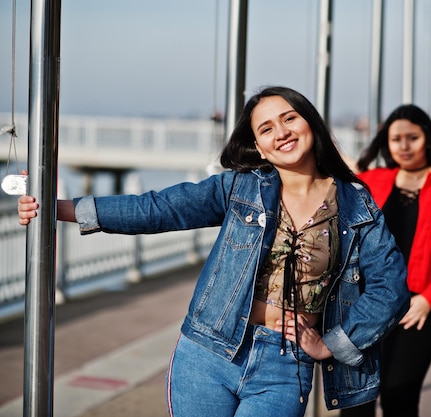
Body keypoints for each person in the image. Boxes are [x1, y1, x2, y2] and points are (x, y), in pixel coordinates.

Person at [17, 86, 410, 417]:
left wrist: (332, 343)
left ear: (310, 122)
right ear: (259, 145)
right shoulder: (240, 188)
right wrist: (59, 209)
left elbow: (390, 287)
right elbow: (160, 208)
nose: (282, 133)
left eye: (289, 118)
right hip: (208, 352)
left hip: (286, 362)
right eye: (267, 128)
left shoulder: (356, 204)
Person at [340, 104, 431, 417]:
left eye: (412, 137)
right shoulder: (372, 182)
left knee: (399, 399)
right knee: (356, 403)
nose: (403, 146)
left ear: (427, 138)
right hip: (362, 306)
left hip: (416, 309)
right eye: (395, 139)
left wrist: (430, 299)